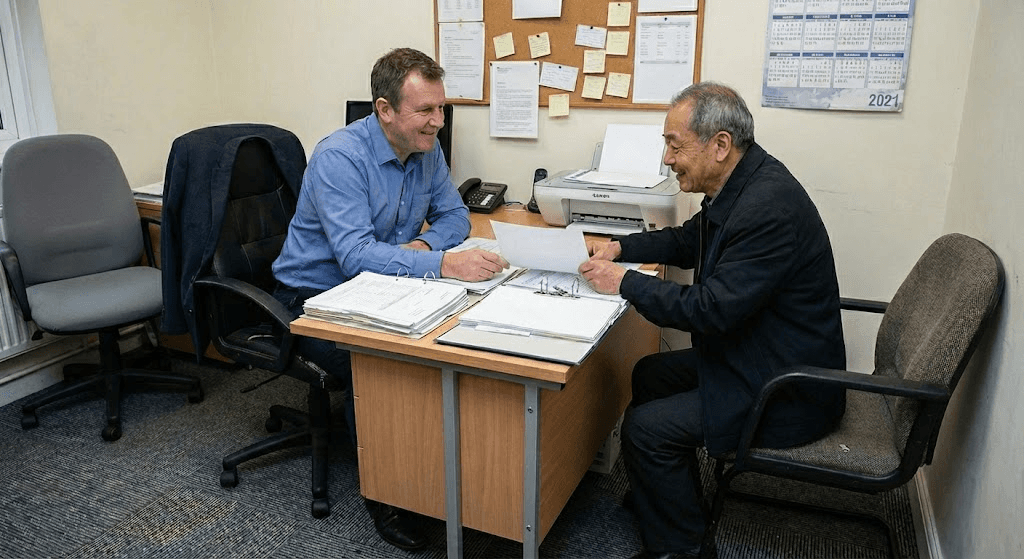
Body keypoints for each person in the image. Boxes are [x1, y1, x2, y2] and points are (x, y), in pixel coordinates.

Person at [579, 82, 847, 559]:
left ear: (720, 145)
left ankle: (682, 548)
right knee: (649, 373)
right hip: (759, 355)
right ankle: (665, 498)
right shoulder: (744, 184)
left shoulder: (767, 208)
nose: (666, 159)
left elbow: (709, 310)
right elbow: (688, 241)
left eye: (674, 145)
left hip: (786, 387)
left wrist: (624, 282)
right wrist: (625, 247)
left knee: (645, 429)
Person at [271, 47, 508, 551]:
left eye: (440, 109)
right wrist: (440, 262)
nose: (437, 123)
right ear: (384, 110)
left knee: (453, 341)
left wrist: (420, 248)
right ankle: (391, 496)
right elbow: (355, 256)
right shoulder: (340, 157)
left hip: (385, 285)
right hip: (312, 297)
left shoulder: (426, 150)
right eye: (425, 111)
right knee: (390, 361)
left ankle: (450, 474)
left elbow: (456, 218)